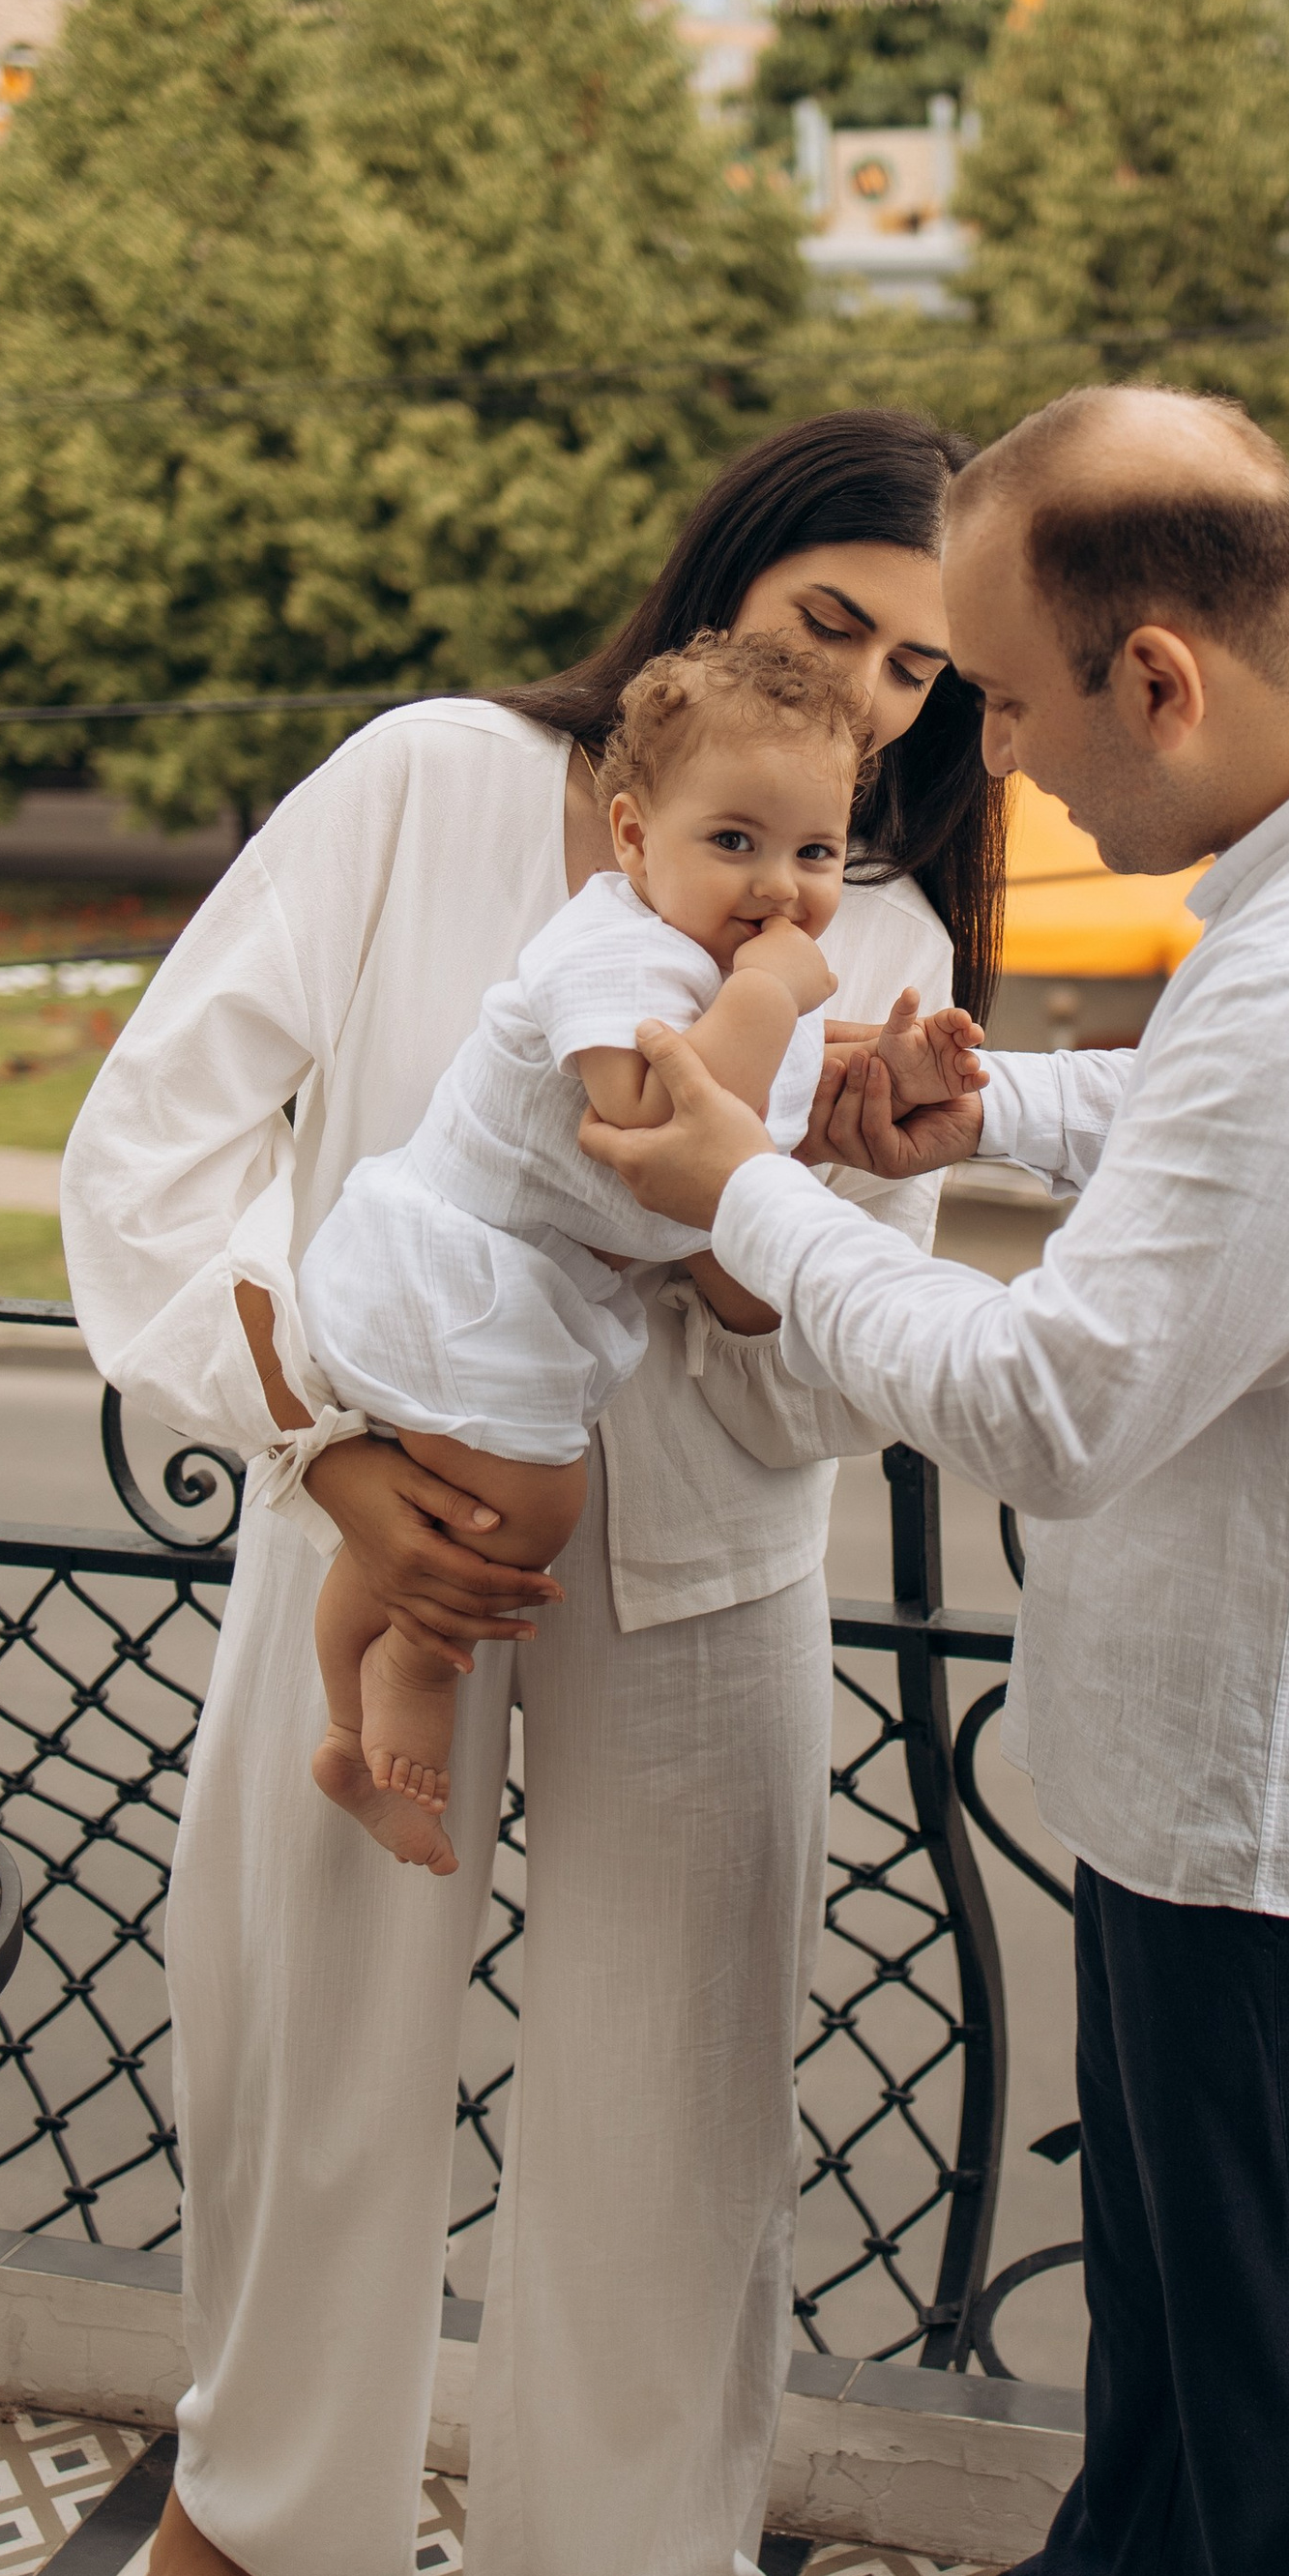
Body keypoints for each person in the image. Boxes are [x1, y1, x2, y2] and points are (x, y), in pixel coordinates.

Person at [573, 383, 1289, 2576]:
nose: (977, 758)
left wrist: (752, 1198)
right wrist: (990, 1114)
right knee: (1170, 2235)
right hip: (1248, 1733)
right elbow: (1283, 1169)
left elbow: (1063, 1401)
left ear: (1153, 677)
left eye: (1001, 702)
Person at [59, 411, 1000, 2576]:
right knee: (303, 2008)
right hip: (364, 1487)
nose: (877, 701)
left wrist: (805, 1223)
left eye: (921, 664)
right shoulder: (432, 781)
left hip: (703, 1567)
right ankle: (261, 2481)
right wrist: (332, 1451)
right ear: (724, 579)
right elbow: (156, 1136)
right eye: (835, 628)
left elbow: (843, 1331)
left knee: (676, 2090)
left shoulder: (873, 931)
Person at [299, 634, 864, 1859]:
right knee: (528, 1508)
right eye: (735, 842)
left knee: (443, 1525)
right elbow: (655, 1125)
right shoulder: (620, 951)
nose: (779, 885)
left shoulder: (725, 964)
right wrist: (772, 992)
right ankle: (410, 1664)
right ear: (630, 838)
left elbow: (762, 1135)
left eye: (813, 852)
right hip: (458, 1273)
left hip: (524, 1287)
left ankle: (351, 1726)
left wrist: (870, 1066)